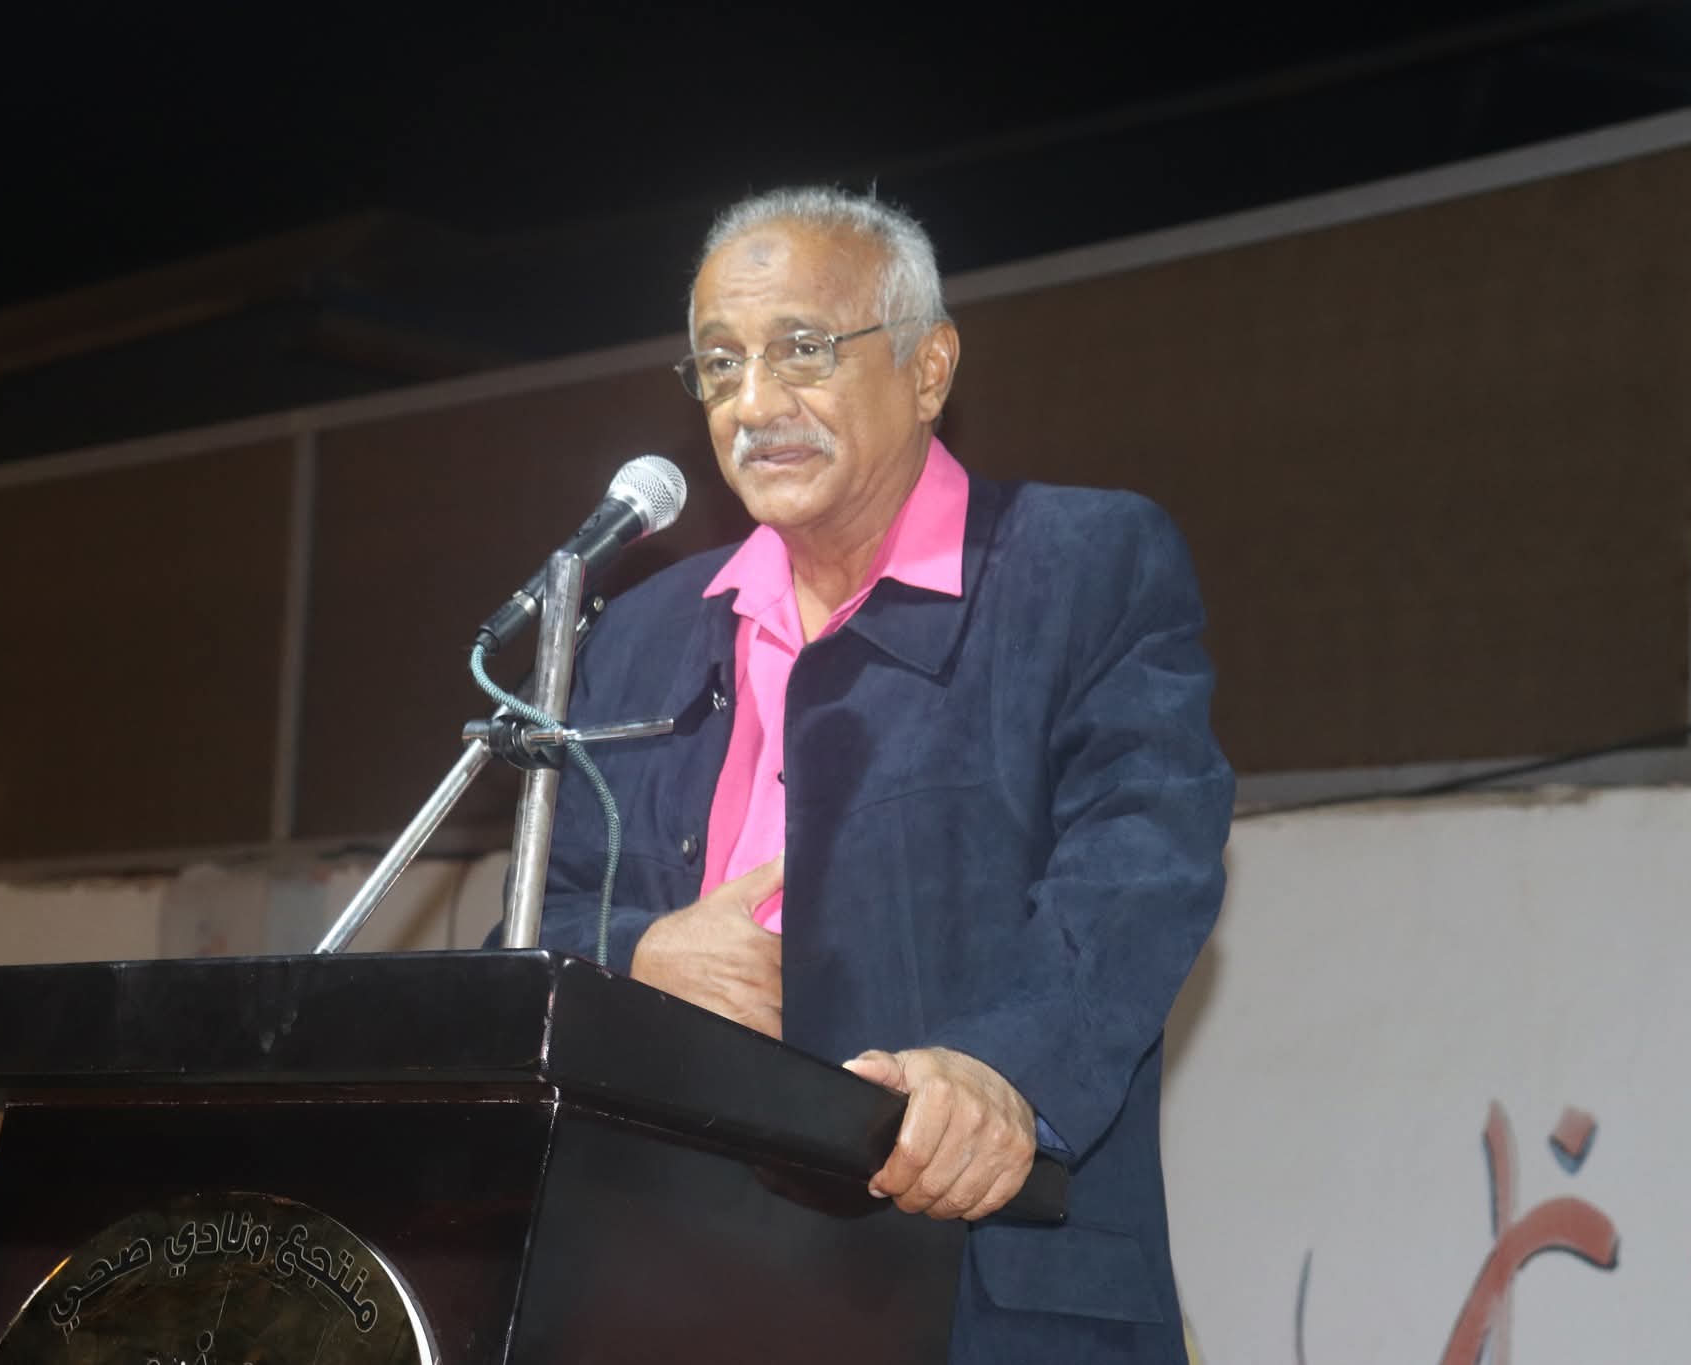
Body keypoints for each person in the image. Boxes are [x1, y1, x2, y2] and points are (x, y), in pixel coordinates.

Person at [528, 186, 1233, 1364]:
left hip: (970, 1285)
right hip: (663, 1283)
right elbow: (540, 921)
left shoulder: (1077, 567)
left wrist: (1000, 1073)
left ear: (926, 369)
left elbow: (1140, 864)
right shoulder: (641, 632)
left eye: (802, 349)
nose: (755, 403)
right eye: (719, 363)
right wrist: (641, 957)